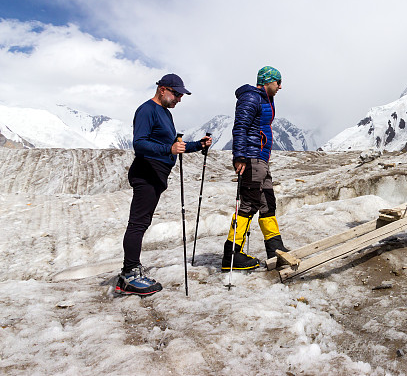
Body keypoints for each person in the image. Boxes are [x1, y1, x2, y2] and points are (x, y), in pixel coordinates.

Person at [117, 74, 212, 296]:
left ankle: (132, 270)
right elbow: (139, 144)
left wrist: (198, 145)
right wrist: (168, 150)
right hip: (146, 173)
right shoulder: (147, 110)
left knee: (142, 222)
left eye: (181, 95)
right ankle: (128, 274)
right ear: (162, 90)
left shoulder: (165, 114)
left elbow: (172, 145)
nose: (179, 98)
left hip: (156, 175)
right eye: (176, 93)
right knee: (138, 223)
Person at [221, 66, 290, 271]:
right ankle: (232, 254)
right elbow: (240, 127)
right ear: (268, 81)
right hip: (251, 158)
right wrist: (240, 156)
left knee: (267, 202)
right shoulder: (251, 98)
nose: (280, 86)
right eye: (278, 82)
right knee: (248, 205)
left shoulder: (264, 99)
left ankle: (275, 248)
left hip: (261, 159)